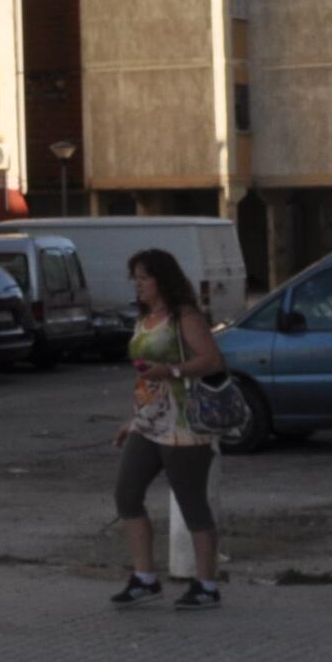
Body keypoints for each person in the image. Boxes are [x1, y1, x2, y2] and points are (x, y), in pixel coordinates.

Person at [110, 247, 224, 610]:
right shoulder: (145, 319)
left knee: (192, 503)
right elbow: (145, 377)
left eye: (145, 277)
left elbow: (212, 360)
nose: (138, 285)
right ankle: (145, 577)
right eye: (136, 279)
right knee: (127, 494)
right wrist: (134, 420)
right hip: (148, 423)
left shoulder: (184, 317)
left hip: (184, 424)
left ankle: (206, 584)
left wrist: (171, 371)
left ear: (163, 279)